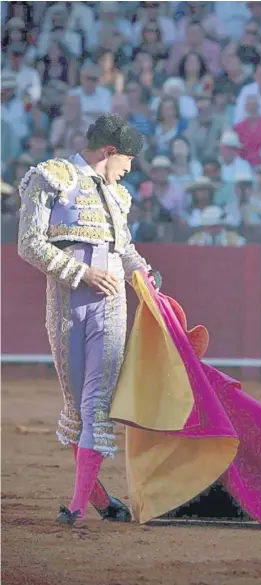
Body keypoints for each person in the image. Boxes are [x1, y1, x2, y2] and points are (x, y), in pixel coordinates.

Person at [18, 114, 161, 525]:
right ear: (110, 152)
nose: (130, 168)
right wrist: (81, 273)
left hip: (111, 303)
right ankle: (97, 497)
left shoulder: (120, 196)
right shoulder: (50, 177)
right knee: (77, 408)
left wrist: (149, 282)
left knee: (96, 406)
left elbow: (125, 250)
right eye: (128, 159)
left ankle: (77, 506)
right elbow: (28, 244)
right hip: (67, 303)